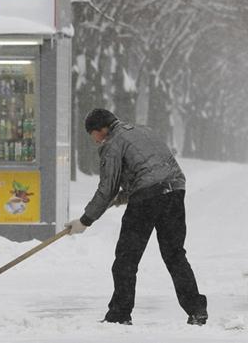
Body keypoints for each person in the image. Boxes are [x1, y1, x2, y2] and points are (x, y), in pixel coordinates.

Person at [65, 109, 207, 326]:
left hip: (147, 198)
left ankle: (120, 314)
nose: (94, 140)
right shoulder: (144, 131)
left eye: (92, 134)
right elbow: (149, 171)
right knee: (175, 254)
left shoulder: (112, 143)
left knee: (126, 259)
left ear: (101, 129)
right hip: (175, 190)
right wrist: (120, 199)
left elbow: (107, 189)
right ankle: (196, 309)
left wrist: (85, 220)